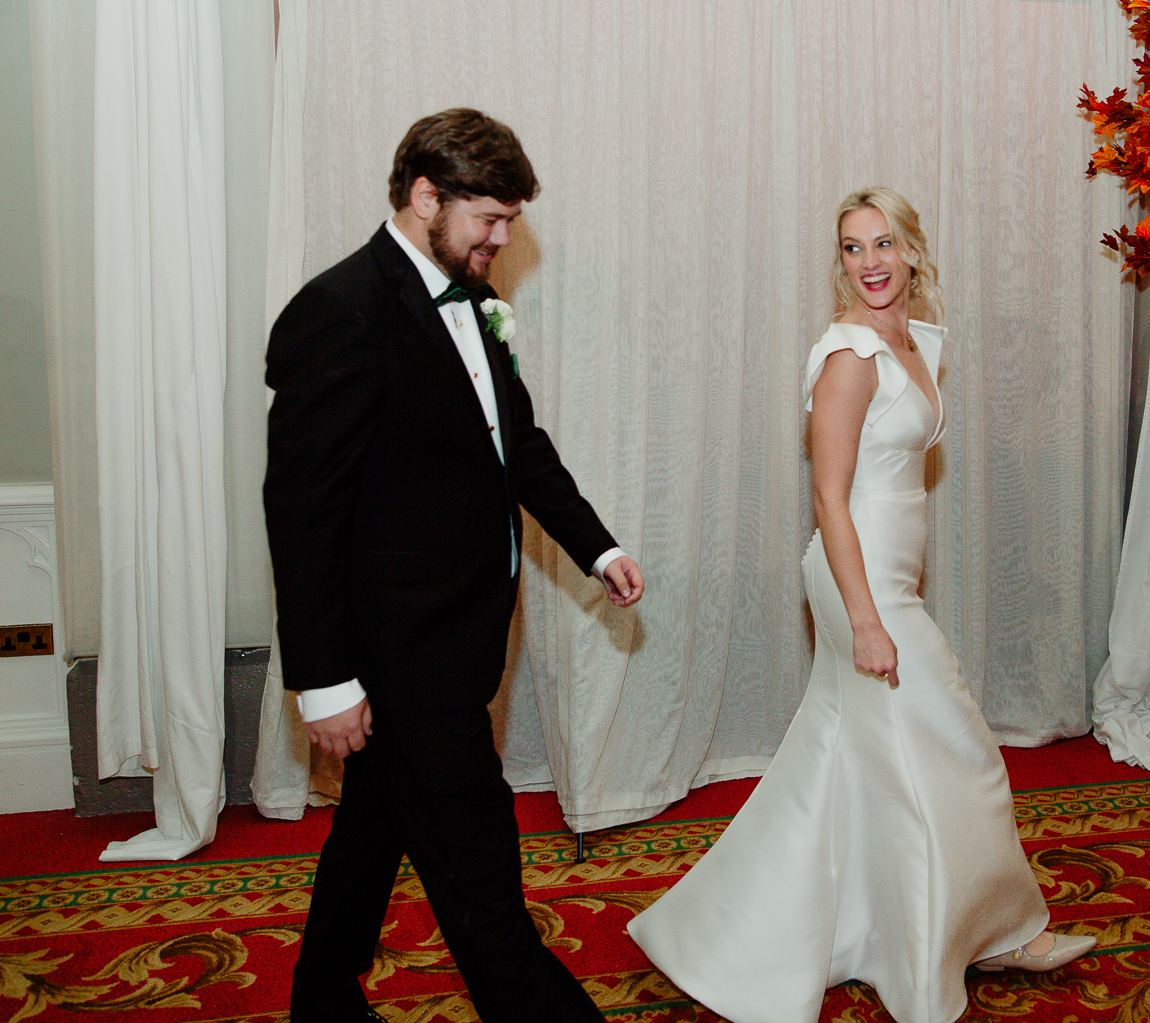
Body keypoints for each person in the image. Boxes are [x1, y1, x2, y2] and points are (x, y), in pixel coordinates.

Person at [627, 188, 1092, 1023]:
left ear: (913, 250)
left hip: (891, 579)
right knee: (961, 758)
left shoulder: (910, 342)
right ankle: (950, 964)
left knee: (848, 767)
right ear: (839, 262)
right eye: (851, 248)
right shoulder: (849, 356)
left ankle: (736, 932)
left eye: (883, 244)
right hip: (858, 582)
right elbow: (830, 500)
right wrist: (867, 619)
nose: (869, 263)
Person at [264, 108, 645, 1023]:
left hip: (463, 632)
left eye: (510, 221)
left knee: (375, 825)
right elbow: (301, 511)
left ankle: (320, 998)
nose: (503, 239)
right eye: (491, 219)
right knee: (479, 864)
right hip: (400, 652)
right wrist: (322, 681)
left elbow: (516, 445)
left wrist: (597, 545)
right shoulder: (337, 311)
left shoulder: (471, 295)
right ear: (425, 196)